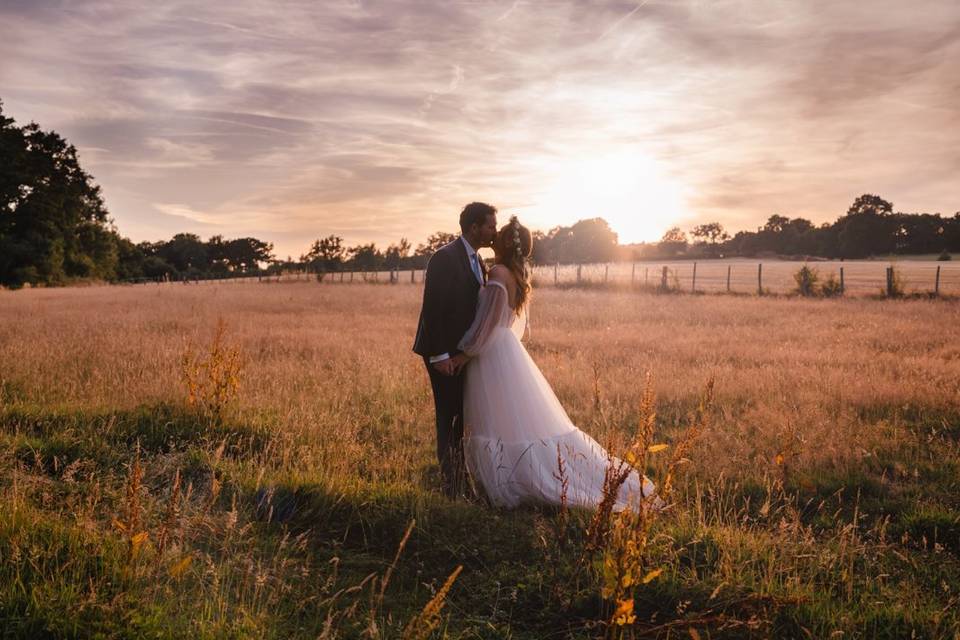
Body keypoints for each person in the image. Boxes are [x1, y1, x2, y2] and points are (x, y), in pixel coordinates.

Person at [456, 216, 658, 510]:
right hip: (505, 350)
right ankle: (516, 474)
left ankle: (514, 481)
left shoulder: (499, 272)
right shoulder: (513, 272)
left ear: (504, 243)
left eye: (497, 233)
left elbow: (487, 323)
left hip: (492, 352)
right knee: (515, 421)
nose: (493, 234)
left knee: (499, 418)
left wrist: (465, 352)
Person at [412, 202, 498, 497]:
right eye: (490, 225)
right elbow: (432, 310)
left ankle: (462, 480)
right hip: (443, 352)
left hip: (459, 352)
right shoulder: (444, 258)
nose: (494, 231)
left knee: (461, 415)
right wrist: (439, 355)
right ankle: (452, 486)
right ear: (474, 227)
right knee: (448, 416)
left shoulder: (477, 260)